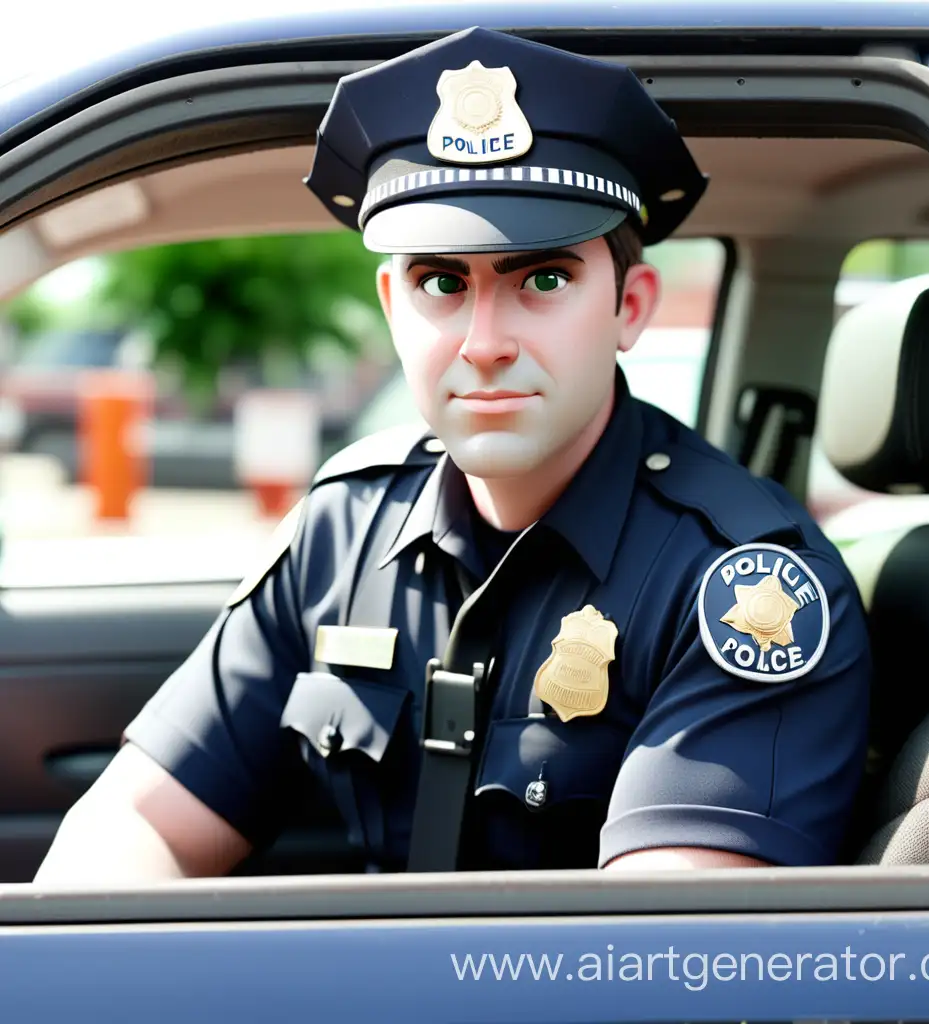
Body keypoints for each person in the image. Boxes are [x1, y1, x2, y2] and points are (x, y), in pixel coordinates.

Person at [33, 26, 871, 884]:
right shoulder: (346, 526)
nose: (484, 343)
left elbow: (655, 966)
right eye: (443, 282)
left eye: (542, 280)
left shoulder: (742, 589)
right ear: (393, 304)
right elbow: (141, 820)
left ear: (630, 305)